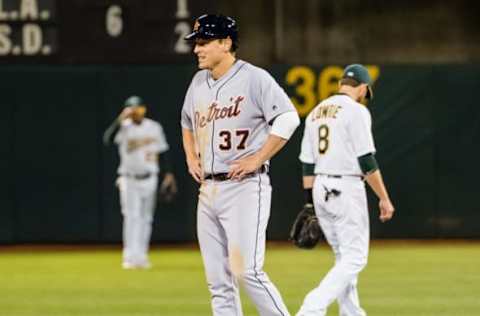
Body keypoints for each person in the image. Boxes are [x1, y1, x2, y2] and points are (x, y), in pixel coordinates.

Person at [181, 14, 300, 316]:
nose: (197, 48)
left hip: (244, 187)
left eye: (204, 42)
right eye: (197, 42)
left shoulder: (254, 78)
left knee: (247, 270)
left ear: (226, 42)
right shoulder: (198, 82)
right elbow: (186, 122)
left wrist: (260, 157)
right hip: (208, 190)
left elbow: (288, 117)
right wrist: (190, 156)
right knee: (218, 282)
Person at [296, 64, 395, 316]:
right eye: (365, 91)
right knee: (355, 258)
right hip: (346, 187)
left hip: (320, 187)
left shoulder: (316, 112)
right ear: (362, 87)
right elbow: (366, 161)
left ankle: (351, 312)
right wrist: (383, 198)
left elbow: (307, 162)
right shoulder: (356, 111)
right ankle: (312, 307)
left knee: (344, 257)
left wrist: (309, 203)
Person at [103, 96, 177, 269]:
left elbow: (163, 150)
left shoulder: (154, 127)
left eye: (139, 108)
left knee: (146, 218)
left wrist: (169, 173)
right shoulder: (124, 128)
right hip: (129, 179)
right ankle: (129, 256)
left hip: (150, 177)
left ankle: (142, 255)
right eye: (133, 109)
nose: (137, 112)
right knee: (131, 217)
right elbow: (107, 138)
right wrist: (121, 118)